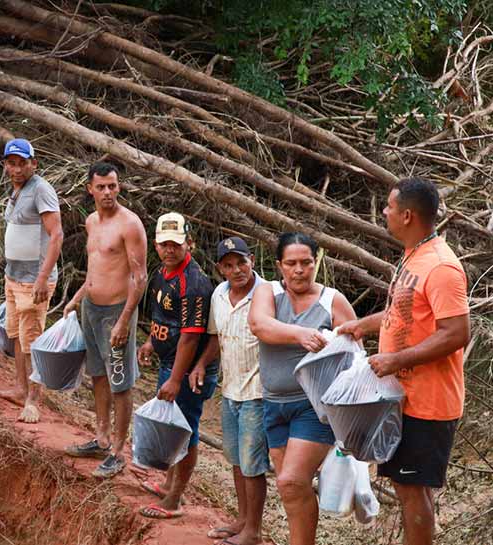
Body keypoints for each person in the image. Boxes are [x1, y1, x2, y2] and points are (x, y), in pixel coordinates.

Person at [338, 178, 469, 545]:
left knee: (412, 489)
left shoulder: (442, 267)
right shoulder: (415, 255)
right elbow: (403, 313)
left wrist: (395, 359)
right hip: (404, 397)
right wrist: (362, 326)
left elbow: (456, 333)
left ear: (407, 215)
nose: (384, 212)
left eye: (389, 207)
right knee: (407, 484)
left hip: (428, 404)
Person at [247, 232, 356, 545]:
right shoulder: (267, 292)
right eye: (291, 263)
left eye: (306, 263)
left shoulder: (331, 300)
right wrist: (300, 334)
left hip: (314, 407)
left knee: (293, 481)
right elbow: (259, 325)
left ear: (315, 263)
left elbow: (354, 349)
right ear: (279, 265)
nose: (299, 270)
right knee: (290, 488)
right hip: (273, 403)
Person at [61, 162, 147, 479]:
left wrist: (125, 320)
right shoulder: (91, 222)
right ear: (90, 189)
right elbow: (95, 267)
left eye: (113, 186)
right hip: (92, 309)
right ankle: (101, 438)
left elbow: (139, 277)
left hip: (116, 312)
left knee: (119, 381)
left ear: (119, 187)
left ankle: (118, 452)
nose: (108, 192)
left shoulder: (130, 224)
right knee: (97, 374)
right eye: (102, 187)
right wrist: (76, 299)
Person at [137, 213, 216, 518]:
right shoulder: (163, 273)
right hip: (170, 362)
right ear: (156, 244)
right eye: (164, 244)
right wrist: (150, 343)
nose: (169, 250)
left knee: (185, 431)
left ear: (189, 243)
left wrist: (175, 379)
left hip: (186, 369)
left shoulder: (194, 283)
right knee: (173, 426)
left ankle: (175, 499)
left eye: (176, 244)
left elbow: (189, 338)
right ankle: (169, 484)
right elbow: (164, 320)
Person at [194, 236, 268, 545]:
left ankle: (253, 530)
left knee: (253, 465)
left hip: (259, 391)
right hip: (231, 389)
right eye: (228, 265)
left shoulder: (268, 294)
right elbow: (215, 337)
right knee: (237, 459)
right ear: (220, 268)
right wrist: (200, 365)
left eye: (241, 262)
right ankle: (242, 519)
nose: (236, 269)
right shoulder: (219, 295)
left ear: (252, 260)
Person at [0, 138, 63, 424]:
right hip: (14, 276)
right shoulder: (18, 190)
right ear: (6, 165)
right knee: (16, 336)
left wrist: (42, 278)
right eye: (12, 163)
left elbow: (56, 234)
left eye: (23, 163)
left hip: (33, 280)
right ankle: (20, 388)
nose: (18, 168)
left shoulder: (41, 190)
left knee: (32, 339)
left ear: (34, 164)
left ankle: (34, 400)